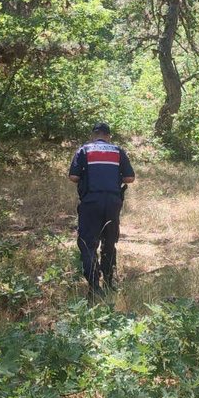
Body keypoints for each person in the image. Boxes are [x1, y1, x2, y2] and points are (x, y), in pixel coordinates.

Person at [68, 122, 135, 296]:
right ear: (108, 135)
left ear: (94, 134)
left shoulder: (84, 150)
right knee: (110, 241)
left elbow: (74, 176)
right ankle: (109, 281)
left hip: (91, 201)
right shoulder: (118, 151)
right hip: (113, 202)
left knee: (88, 243)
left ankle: (94, 286)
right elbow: (129, 178)